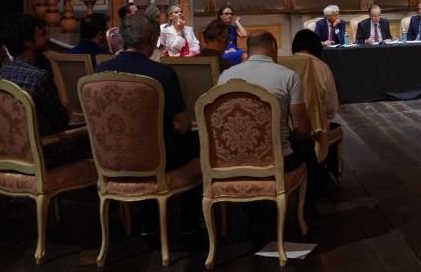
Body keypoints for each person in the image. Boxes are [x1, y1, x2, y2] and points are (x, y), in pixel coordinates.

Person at [95, 13, 201, 237]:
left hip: (110, 158)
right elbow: (182, 125)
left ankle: (146, 223)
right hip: (158, 159)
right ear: (153, 39)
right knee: (195, 144)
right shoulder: (161, 73)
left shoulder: (99, 73)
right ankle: (190, 223)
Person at [0, 14, 90, 167]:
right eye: (42, 34)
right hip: (44, 154)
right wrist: (66, 111)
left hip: (8, 154)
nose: (48, 37)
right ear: (27, 42)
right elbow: (60, 121)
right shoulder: (38, 77)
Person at [217, 32, 311, 172]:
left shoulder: (225, 76)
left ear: (248, 51)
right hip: (278, 160)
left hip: (232, 161)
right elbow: (302, 131)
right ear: (274, 46)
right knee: (307, 147)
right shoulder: (289, 76)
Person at [291, 29, 339, 121]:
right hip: (317, 126)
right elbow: (331, 107)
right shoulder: (322, 68)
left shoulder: (284, 65)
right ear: (317, 46)